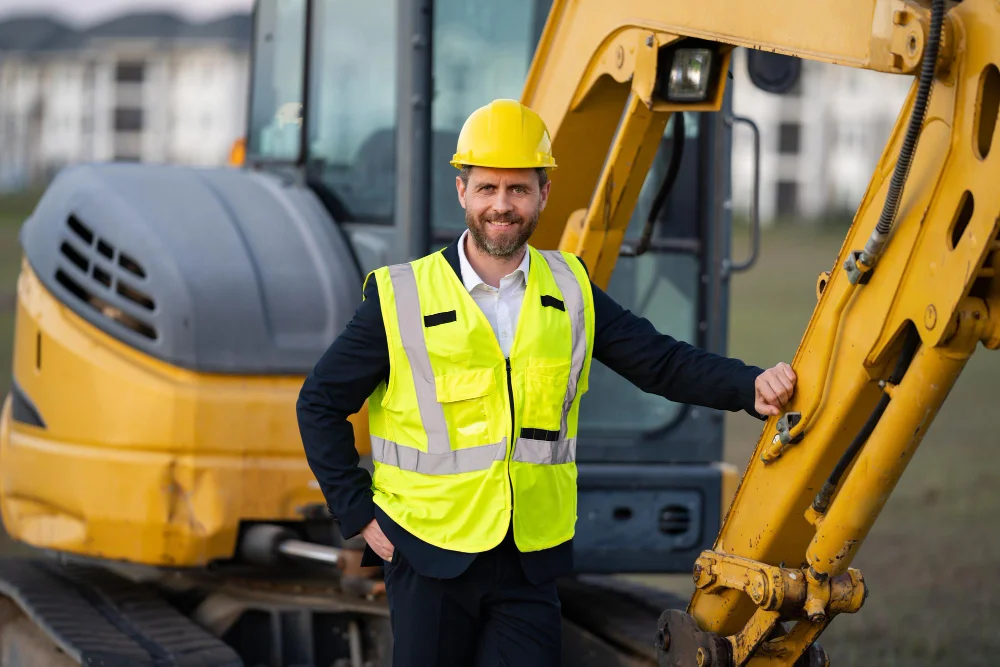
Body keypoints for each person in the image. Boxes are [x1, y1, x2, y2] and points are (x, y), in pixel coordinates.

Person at [296, 98, 797, 667]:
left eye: (518, 190)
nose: (501, 206)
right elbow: (319, 403)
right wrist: (355, 510)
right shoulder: (400, 295)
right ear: (462, 192)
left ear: (544, 195)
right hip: (428, 554)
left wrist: (748, 386)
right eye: (487, 189)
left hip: (528, 560)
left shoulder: (572, 289)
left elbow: (660, 362)